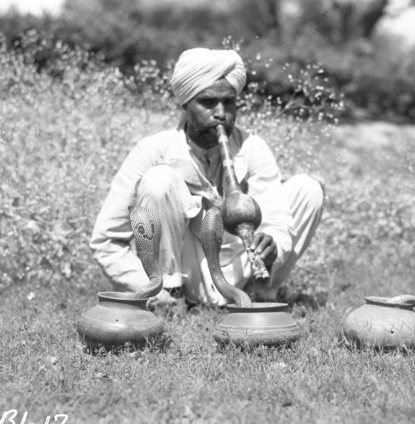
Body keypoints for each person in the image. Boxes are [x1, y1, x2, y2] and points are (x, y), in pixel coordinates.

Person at [90, 47, 324, 310]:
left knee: (308, 190)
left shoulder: (253, 148)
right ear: (186, 104)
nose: (221, 113)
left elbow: (278, 221)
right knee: (159, 179)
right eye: (208, 103)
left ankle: (260, 292)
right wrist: (145, 286)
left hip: (242, 266)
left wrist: (273, 248)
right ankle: (171, 297)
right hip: (189, 270)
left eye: (229, 102)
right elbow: (106, 241)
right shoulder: (153, 150)